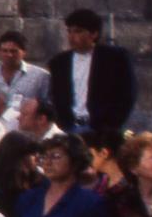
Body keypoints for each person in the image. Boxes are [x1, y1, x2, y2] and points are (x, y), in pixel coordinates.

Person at [48, 8, 137, 136]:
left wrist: (112, 124)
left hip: (103, 128)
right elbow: (56, 97)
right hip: (70, 127)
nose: (72, 37)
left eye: (78, 31)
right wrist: (62, 123)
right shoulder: (59, 62)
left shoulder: (115, 58)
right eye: (69, 31)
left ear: (93, 34)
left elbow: (127, 94)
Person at [0, 30, 51, 121]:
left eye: (14, 51)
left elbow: (48, 106)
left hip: (26, 128)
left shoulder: (40, 77)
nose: (9, 55)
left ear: (24, 52)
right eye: (5, 51)